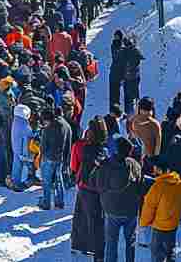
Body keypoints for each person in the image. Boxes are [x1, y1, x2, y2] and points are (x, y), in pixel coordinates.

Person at [89, 136, 144, 262]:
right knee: (130, 241)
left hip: (111, 209)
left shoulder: (106, 165)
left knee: (111, 242)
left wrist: (97, 166)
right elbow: (141, 187)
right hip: (131, 210)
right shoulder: (134, 165)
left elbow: (93, 182)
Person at [71, 116, 108, 260]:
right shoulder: (104, 149)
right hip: (98, 188)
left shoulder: (80, 146)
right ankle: (96, 248)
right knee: (96, 219)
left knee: (80, 215)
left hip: (83, 185)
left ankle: (79, 244)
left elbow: (74, 166)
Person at [140, 155, 181, 262]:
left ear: (158, 169)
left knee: (157, 255)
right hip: (173, 225)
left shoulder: (158, 186)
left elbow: (149, 207)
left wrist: (144, 223)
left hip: (159, 227)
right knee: (170, 253)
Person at [40, 106, 73, 210]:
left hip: (49, 158)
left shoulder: (48, 128)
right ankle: (60, 202)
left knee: (47, 181)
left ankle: (46, 203)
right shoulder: (67, 126)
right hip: (62, 158)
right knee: (60, 181)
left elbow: (43, 146)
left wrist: (43, 156)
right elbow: (69, 143)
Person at [10, 102, 34, 188]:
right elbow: (28, 138)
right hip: (22, 151)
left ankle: (14, 180)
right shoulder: (24, 126)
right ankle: (20, 183)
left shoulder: (15, 122)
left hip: (15, 148)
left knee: (15, 165)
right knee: (22, 168)